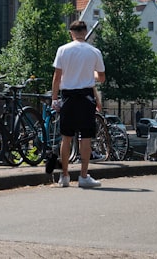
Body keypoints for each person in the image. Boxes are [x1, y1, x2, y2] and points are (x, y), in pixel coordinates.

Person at [51, 19, 106, 188]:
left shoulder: (63, 50)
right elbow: (101, 78)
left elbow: (57, 76)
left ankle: (65, 176)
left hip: (68, 96)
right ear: (85, 32)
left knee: (66, 137)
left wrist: (54, 98)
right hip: (86, 97)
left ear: (71, 33)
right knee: (86, 137)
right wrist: (91, 75)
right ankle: (83, 175)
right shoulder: (94, 51)